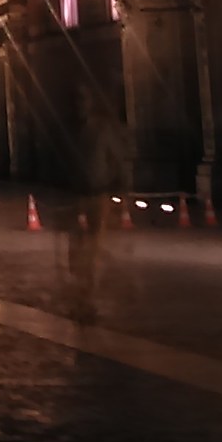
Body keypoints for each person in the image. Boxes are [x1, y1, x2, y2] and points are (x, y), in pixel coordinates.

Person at [68, 84, 134, 324]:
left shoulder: (101, 129)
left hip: (98, 195)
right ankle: (80, 294)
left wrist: (121, 187)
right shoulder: (73, 132)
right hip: (78, 196)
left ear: (90, 103)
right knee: (76, 250)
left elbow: (117, 158)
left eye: (83, 101)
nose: (79, 106)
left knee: (92, 249)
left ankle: (88, 299)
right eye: (76, 101)